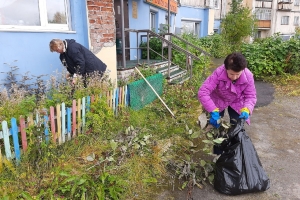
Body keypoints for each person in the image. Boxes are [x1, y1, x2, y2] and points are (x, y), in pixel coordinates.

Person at [198, 52, 257, 129]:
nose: (234, 77)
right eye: (231, 74)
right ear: (226, 69)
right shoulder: (218, 73)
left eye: (238, 74)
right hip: (218, 99)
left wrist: (247, 108)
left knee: (236, 125)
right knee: (214, 124)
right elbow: (203, 92)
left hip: (237, 101)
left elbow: (251, 96)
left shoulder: (248, 76)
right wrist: (212, 110)